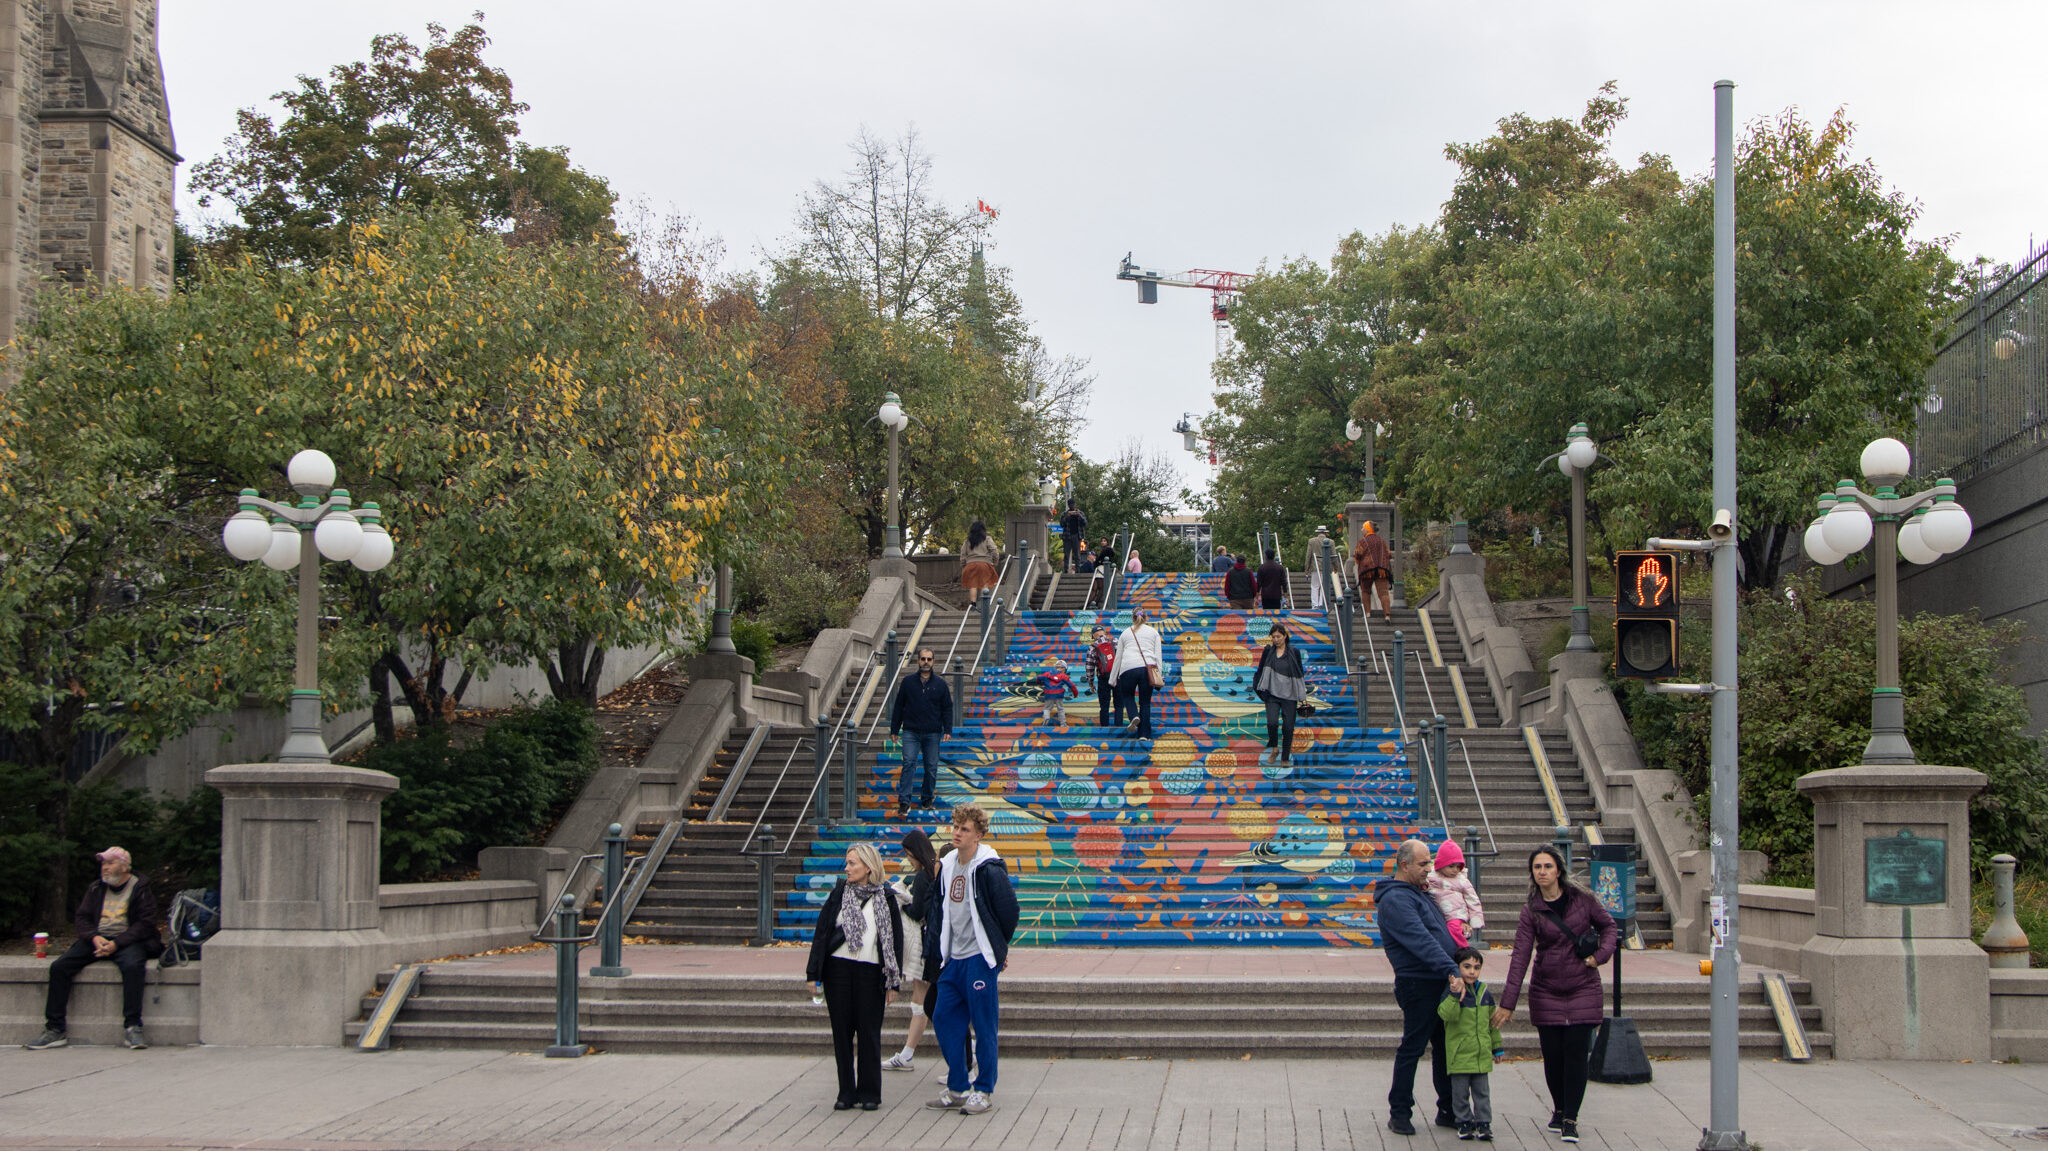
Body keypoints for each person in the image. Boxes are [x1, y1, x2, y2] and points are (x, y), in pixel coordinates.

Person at [1491, 845, 1619, 1145]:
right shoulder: (1532, 910)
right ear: (1532, 874)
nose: (1543, 872)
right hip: (1546, 988)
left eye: (1548, 866)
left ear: (1558, 870)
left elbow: (1609, 927)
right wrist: (1507, 1003)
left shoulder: (1583, 901)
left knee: (1576, 1054)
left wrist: (1599, 957)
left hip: (1582, 986)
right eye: (1537, 868)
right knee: (1553, 1056)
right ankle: (1559, 1108)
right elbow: (1520, 956)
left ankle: (1571, 1118)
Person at [925, 803, 1019, 1116]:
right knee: (942, 1017)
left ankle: (984, 1090)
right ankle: (957, 1086)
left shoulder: (989, 868)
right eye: (955, 827)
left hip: (980, 957)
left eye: (965, 829)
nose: (957, 833)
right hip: (953, 958)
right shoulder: (949, 863)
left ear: (978, 835)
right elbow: (941, 909)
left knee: (983, 1025)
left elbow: (1009, 911)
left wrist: (997, 949)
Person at [27, 846, 162, 1051]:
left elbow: (146, 923)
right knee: (60, 967)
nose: (104, 868)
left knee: (133, 967)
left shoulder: (140, 888)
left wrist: (117, 943)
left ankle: (133, 1027)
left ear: (125, 867)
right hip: (98, 939)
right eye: (103, 864)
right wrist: (94, 938)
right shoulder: (96, 888)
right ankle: (55, 1029)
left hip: (128, 941)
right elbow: (81, 918)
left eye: (110, 863)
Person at [807, 842, 907, 1111]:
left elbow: (894, 942)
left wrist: (893, 982)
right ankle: (846, 1093)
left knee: (869, 1034)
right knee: (841, 1034)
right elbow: (822, 933)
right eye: (847, 862)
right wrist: (812, 974)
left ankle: (870, 1093)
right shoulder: (838, 894)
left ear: (868, 867)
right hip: (838, 971)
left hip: (870, 973)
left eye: (852, 863)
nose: (847, 868)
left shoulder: (886, 898)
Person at [1374, 838, 1464, 1137]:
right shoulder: (1396, 900)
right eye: (1424, 863)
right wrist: (1451, 968)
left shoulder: (1418, 893)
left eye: (1430, 862)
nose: (1430, 868)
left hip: (1438, 980)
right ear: (1404, 865)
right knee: (1412, 1047)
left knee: (1443, 1047)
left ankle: (1448, 1108)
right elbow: (1420, 940)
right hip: (1419, 983)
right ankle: (1399, 1113)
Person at [883, 830, 943, 1073]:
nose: (909, 859)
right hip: (935, 943)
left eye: (909, 854)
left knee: (922, 1001)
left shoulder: (921, 877)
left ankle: (909, 1054)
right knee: (927, 1000)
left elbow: (917, 911)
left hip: (923, 945)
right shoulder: (935, 872)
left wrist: (903, 903)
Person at [1437, 947, 1505, 1141]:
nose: (1472, 972)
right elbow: (1446, 1015)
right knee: (1460, 1094)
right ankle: (1464, 1122)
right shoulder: (1451, 992)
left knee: (1482, 1093)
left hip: (1481, 1054)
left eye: (1476, 967)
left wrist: (1496, 1047)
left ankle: (1484, 1123)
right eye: (1467, 967)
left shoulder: (1485, 993)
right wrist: (1453, 995)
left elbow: (1492, 1024)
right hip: (1459, 1055)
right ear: (1457, 969)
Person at [889, 648, 953, 818]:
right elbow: (899, 706)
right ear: (918, 661)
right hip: (910, 731)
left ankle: (927, 799)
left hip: (932, 733)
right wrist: (894, 729)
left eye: (929, 659)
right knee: (908, 762)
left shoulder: (940, 684)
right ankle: (904, 802)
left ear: (933, 661)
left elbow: (947, 707)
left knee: (931, 767)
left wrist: (948, 729)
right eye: (923, 658)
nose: (926, 662)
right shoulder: (908, 682)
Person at [1253, 623, 1306, 767]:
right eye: (1273, 637)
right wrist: (1258, 688)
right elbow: (1260, 669)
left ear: (1285, 636)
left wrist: (1301, 693)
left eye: (1279, 636)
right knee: (1272, 722)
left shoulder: (1294, 652)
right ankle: (1275, 748)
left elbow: (1300, 672)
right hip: (1272, 694)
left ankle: (1285, 757)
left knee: (1288, 727)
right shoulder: (1268, 651)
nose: (1276, 639)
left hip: (1290, 695)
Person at [1109, 609, 1164, 742]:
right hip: (1147, 668)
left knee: (1127, 696)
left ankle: (1133, 715)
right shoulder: (1153, 632)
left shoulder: (1125, 633)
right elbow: (1158, 656)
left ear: (1133, 618)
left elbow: (1118, 657)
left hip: (1127, 668)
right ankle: (1144, 734)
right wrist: (1159, 675)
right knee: (1145, 703)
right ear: (1146, 618)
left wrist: (1112, 679)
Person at [1428, 840, 1485, 948]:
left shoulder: (1462, 880)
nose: (1455, 870)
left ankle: (1463, 949)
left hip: (1456, 914)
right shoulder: (1431, 876)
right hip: (1439, 913)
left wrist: (1475, 920)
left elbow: (1473, 900)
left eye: (1458, 867)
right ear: (1441, 864)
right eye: (1451, 866)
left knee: (1454, 928)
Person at [1354, 520, 1394, 623]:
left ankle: (1367, 613)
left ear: (1368, 529)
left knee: (1366, 591)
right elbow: (1389, 555)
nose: (1362, 529)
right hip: (1382, 570)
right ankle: (1387, 615)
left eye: (1363, 527)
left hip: (1367, 570)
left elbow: (1358, 554)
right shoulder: (1381, 541)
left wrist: (1359, 561)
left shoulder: (1363, 541)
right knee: (1384, 593)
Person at [1023, 659, 1074, 729]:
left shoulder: (1047, 674)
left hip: (1049, 694)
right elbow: (1071, 686)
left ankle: (1046, 718)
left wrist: (1039, 683)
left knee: (1047, 708)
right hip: (1059, 694)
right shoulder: (1064, 676)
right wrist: (1075, 693)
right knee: (1060, 709)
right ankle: (1063, 723)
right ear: (1064, 669)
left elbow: (1039, 677)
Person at [960, 519, 1002, 601]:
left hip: (970, 564)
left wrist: (963, 565)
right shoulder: (987, 539)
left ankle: (973, 604)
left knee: (973, 585)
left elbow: (963, 554)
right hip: (984, 564)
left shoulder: (967, 540)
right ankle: (984, 605)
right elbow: (994, 551)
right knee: (984, 584)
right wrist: (995, 562)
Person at [1087, 624, 1117, 727]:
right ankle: (1119, 726)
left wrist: (1091, 683)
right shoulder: (1115, 642)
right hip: (1117, 676)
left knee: (1104, 705)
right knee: (1119, 704)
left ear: (1094, 636)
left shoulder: (1092, 647)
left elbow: (1089, 667)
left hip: (1103, 678)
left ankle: (1104, 727)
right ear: (1104, 633)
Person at [1060, 500, 1088, 572]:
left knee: (1077, 555)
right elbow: (1062, 524)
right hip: (1067, 537)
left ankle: (1077, 571)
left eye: (1072, 504)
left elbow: (1085, 523)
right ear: (1068, 505)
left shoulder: (1080, 513)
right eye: (1070, 504)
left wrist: (1079, 515)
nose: (1071, 506)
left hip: (1077, 536)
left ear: (1074, 504)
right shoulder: (1065, 514)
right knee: (1066, 554)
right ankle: (1066, 571)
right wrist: (1067, 516)